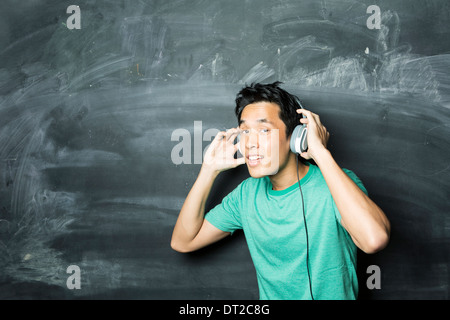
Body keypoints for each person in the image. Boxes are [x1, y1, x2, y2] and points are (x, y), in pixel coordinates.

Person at [171, 82, 390, 300]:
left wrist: (320, 153)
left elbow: (374, 240)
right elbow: (183, 241)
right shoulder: (246, 195)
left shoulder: (339, 184)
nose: (250, 143)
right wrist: (208, 171)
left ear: (296, 138)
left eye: (264, 130)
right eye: (245, 131)